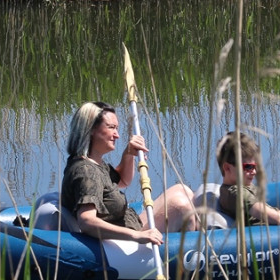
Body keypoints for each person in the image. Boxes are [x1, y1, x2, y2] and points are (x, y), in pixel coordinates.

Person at [60, 101, 197, 244]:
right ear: (91, 129)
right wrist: (136, 236)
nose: (117, 135)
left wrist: (128, 154)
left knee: (182, 190)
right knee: (182, 206)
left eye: (117, 128)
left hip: (132, 224)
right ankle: (193, 255)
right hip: (128, 240)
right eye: (111, 127)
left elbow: (122, 181)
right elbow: (87, 221)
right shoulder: (86, 172)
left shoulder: (93, 163)